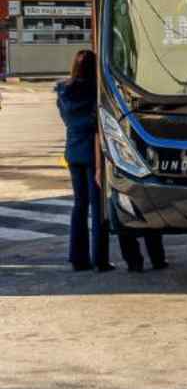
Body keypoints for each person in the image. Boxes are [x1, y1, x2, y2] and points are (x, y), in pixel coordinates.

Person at [56, 49, 112, 272]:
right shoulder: (96, 92)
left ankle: (78, 258)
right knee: (98, 206)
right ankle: (100, 258)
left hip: (72, 151)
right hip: (93, 153)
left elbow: (66, 120)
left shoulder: (63, 92)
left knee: (79, 204)